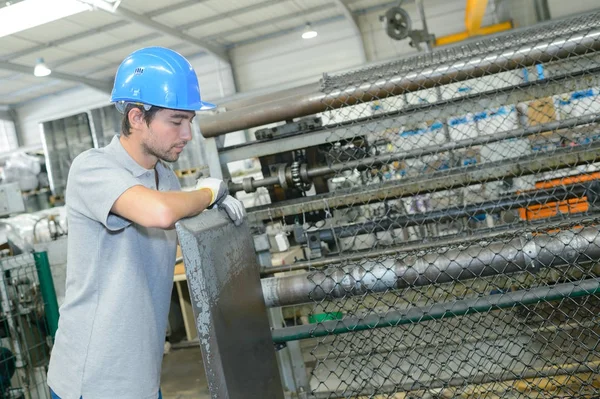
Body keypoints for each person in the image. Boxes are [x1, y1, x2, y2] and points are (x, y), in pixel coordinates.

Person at [46, 47, 245, 399]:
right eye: (176, 121)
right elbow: (159, 213)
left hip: (141, 375)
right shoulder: (93, 168)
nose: (187, 134)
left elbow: (169, 218)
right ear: (137, 117)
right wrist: (208, 195)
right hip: (93, 379)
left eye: (190, 122)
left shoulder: (164, 180)